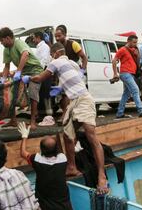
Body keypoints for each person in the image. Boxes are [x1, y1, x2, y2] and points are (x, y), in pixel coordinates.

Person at [23, 42, 109, 194]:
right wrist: (61, 88)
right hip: (73, 102)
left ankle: (101, 176)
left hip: (83, 99)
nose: (51, 57)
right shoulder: (72, 64)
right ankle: (71, 167)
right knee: (68, 135)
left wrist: (26, 78)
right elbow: (73, 79)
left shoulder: (56, 62)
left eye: (51, 55)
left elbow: (39, 78)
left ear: (55, 53)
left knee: (91, 136)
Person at [0, 27, 44, 129]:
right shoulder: (6, 50)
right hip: (23, 71)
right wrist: (3, 80)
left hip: (35, 69)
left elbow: (25, 54)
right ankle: (13, 120)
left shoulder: (18, 43)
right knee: (11, 91)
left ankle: (33, 121)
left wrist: (18, 72)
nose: (1, 43)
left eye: (2, 40)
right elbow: (7, 66)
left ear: (8, 38)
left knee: (32, 91)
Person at [19, 122, 73, 210]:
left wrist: (24, 136)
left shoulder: (37, 160)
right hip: (64, 205)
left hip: (45, 205)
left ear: (41, 149)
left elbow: (23, 153)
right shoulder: (63, 159)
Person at [54, 26, 88, 117]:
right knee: (61, 96)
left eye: (59, 36)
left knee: (69, 94)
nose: (57, 38)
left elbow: (84, 58)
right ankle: (67, 113)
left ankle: (66, 115)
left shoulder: (73, 44)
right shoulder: (57, 47)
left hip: (74, 71)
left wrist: (82, 71)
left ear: (65, 35)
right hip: (63, 73)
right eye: (55, 36)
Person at [111, 35, 142, 118]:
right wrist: (115, 73)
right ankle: (141, 110)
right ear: (128, 41)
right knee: (135, 90)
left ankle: (120, 113)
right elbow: (114, 60)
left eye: (136, 42)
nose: (135, 44)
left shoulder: (133, 50)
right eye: (134, 42)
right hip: (125, 73)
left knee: (126, 94)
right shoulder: (122, 50)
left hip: (131, 74)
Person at [33, 31, 53, 119]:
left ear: (38, 37)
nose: (33, 40)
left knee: (45, 93)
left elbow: (44, 61)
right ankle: (42, 115)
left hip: (44, 72)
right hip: (41, 72)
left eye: (34, 38)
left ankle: (49, 115)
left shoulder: (44, 47)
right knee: (41, 93)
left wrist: (39, 73)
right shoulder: (39, 47)